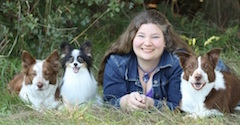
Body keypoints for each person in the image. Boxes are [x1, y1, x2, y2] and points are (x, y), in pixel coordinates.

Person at [98, 9, 229, 112]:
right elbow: (109, 100)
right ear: (132, 38)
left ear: (165, 41)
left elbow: (180, 106)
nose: (147, 43)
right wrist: (123, 102)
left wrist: (152, 104)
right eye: (141, 36)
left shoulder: (176, 65)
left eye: (155, 37)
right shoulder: (116, 63)